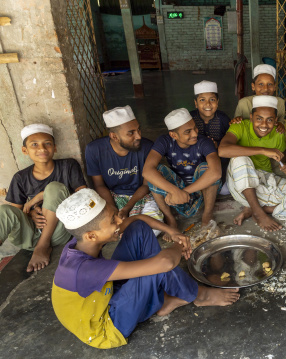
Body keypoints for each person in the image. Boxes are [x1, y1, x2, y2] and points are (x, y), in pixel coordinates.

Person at [51, 189, 239, 349]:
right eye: (113, 221)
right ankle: (201, 296)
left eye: (115, 214)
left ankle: (161, 299)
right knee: (159, 268)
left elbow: (137, 219)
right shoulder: (84, 269)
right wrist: (177, 247)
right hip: (107, 327)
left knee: (138, 229)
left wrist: (171, 231)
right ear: (92, 236)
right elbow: (165, 263)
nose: (119, 221)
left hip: (104, 295)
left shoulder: (82, 242)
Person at [0, 124, 86, 272]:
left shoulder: (68, 166)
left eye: (47, 143)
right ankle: (38, 245)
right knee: (4, 210)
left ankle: (42, 247)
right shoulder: (20, 177)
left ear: (55, 147)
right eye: (34, 144)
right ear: (24, 150)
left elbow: (85, 197)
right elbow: (16, 214)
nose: (42, 148)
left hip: (58, 233)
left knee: (54, 188)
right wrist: (31, 213)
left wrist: (42, 195)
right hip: (30, 236)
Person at [219, 95, 286, 232]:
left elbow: (285, 152)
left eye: (269, 120)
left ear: (276, 120)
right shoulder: (240, 126)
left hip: (264, 180)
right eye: (259, 119)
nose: (264, 125)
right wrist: (263, 150)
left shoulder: (278, 133)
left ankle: (255, 209)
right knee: (241, 158)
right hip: (240, 183)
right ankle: (259, 213)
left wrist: (285, 163)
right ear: (251, 117)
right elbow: (223, 150)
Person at [85, 106, 163, 232]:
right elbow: (99, 185)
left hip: (141, 196)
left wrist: (127, 208)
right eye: (131, 133)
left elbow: (146, 185)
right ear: (114, 136)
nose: (138, 136)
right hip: (111, 197)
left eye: (139, 130)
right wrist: (113, 210)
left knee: (153, 230)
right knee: (105, 230)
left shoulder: (147, 147)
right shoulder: (94, 150)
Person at [142, 108, 222, 228]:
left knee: (206, 167)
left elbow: (216, 173)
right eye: (187, 132)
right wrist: (175, 191)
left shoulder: (204, 142)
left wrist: (183, 193)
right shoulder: (165, 141)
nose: (195, 133)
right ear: (173, 135)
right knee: (155, 172)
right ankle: (170, 219)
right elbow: (147, 171)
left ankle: (207, 214)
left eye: (195, 128)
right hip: (177, 186)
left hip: (200, 189)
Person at [189, 80, 231, 186]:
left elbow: (231, 139)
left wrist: (218, 145)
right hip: (196, 157)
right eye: (202, 100)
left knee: (224, 189)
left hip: (218, 160)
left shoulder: (223, 119)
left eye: (212, 99)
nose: (208, 104)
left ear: (217, 102)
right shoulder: (190, 118)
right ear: (196, 103)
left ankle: (221, 180)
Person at [233, 64, 286, 128]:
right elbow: (236, 124)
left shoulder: (280, 103)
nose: (266, 88)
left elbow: (281, 121)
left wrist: (280, 125)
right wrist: (237, 120)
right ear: (253, 86)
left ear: (275, 86)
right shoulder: (244, 103)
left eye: (269, 84)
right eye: (261, 84)